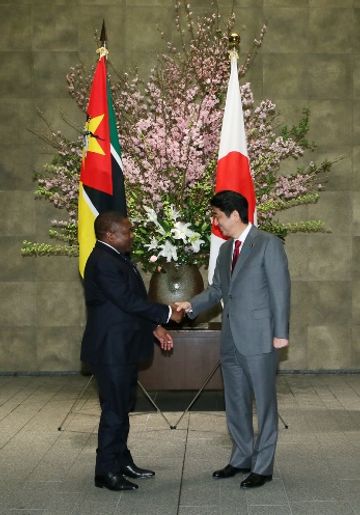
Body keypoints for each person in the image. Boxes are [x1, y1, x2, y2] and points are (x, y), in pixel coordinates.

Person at [176, 190, 290, 489]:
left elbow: (280, 291)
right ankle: (241, 458)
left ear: (235, 215)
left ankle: (263, 466)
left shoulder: (268, 244)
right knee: (235, 402)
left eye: (217, 216)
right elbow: (216, 290)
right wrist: (191, 305)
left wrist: (280, 334)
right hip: (230, 340)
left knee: (264, 404)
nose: (216, 222)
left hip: (261, 339)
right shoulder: (226, 250)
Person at [81, 211, 183, 491]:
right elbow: (126, 301)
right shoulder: (103, 261)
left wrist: (155, 327)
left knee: (122, 407)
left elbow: (133, 301)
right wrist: (166, 313)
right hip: (110, 350)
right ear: (109, 235)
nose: (131, 236)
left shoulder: (116, 257)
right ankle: (106, 471)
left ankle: (122, 460)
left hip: (122, 347)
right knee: (114, 410)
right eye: (126, 232)